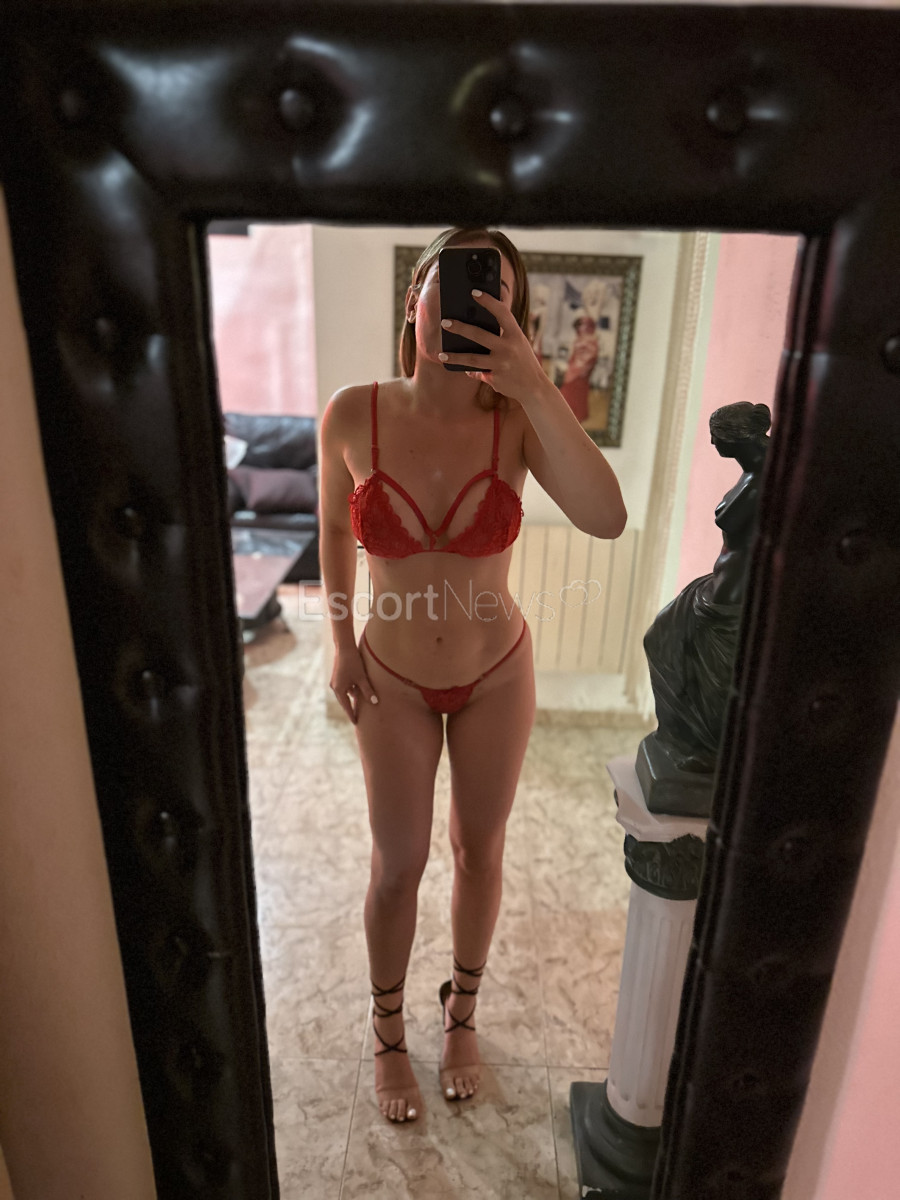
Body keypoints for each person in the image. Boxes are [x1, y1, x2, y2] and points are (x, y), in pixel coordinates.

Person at [318, 227, 626, 1124]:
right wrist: (338, 640)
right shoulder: (352, 413)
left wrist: (533, 382)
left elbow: (606, 517)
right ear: (413, 294)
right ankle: (387, 1033)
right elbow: (334, 527)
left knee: (477, 851)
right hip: (391, 679)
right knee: (397, 866)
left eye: (496, 299)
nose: (464, 308)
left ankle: (462, 1015)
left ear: (515, 321)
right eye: (448, 285)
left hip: (496, 673)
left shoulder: (517, 422)